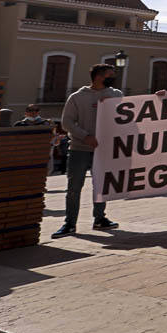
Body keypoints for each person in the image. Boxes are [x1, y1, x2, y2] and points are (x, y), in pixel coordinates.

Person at [51, 64, 122, 238]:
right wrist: (85, 136)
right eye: (110, 75)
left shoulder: (116, 95)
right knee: (74, 187)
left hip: (104, 150)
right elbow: (67, 123)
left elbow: (125, 116)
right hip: (79, 148)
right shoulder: (77, 97)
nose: (113, 78)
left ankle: (100, 219)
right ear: (98, 76)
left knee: (101, 187)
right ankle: (69, 223)